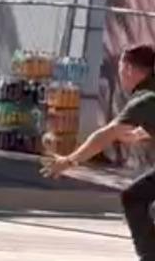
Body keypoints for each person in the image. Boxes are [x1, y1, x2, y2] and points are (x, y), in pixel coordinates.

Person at [44, 45, 155, 260]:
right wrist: (141, 134)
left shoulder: (145, 98)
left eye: (120, 68)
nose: (119, 75)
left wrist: (70, 160)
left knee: (134, 198)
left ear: (129, 69)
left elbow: (106, 135)